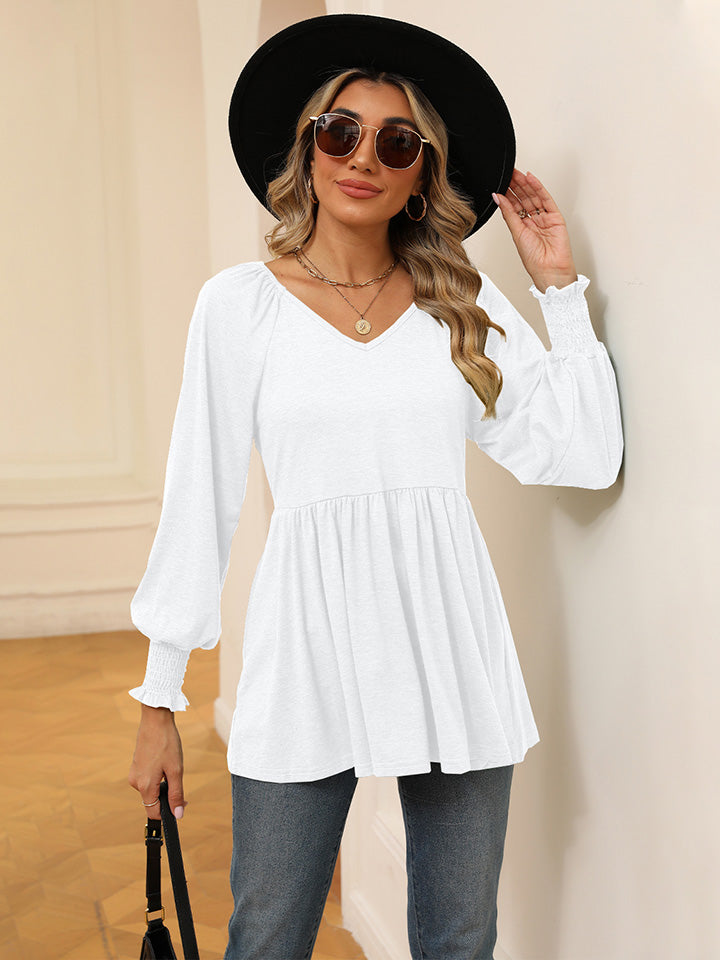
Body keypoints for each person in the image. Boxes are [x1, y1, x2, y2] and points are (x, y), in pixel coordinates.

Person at [128, 14, 623, 960]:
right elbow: (198, 505)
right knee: (268, 937)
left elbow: (585, 454)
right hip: (303, 654)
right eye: (340, 131)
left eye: (397, 143)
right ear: (308, 147)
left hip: (451, 648)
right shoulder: (238, 307)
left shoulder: (458, 302)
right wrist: (160, 700)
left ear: (422, 173)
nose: (363, 157)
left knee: (459, 940)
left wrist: (559, 289)